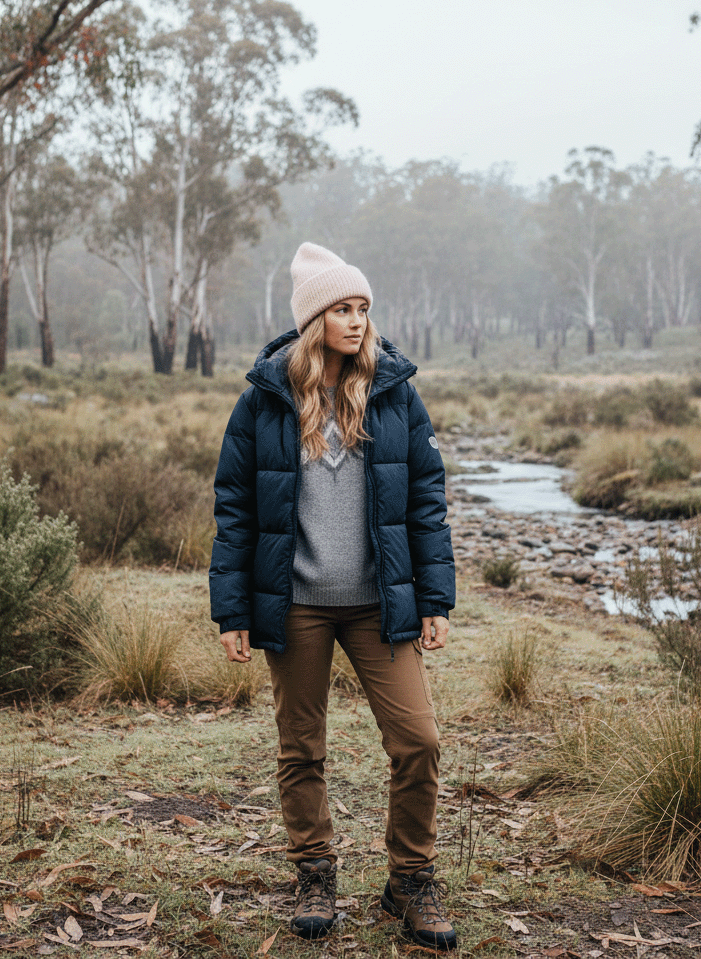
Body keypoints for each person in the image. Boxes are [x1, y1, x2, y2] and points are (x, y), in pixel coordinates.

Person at [209, 242, 457, 950]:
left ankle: (409, 881)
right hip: (297, 603)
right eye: (342, 309)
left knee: (419, 743)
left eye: (363, 309)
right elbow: (236, 508)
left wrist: (434, 597)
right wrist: (233, 611)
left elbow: (425, 502)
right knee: (301, 747)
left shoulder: (394, 391)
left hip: (382, 602)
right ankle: (314, 873)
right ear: (313, 318)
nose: (356, 322)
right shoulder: (264, 399)